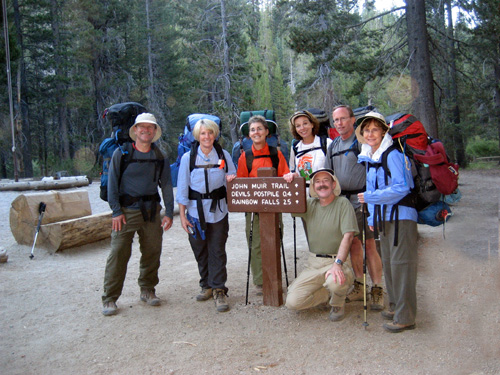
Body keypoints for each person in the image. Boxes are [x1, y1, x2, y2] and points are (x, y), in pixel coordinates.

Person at [102, 113, 174, 316]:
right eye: (141, 127)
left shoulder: (160, 156)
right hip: (126, 212)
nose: (146, 130)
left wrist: (168, 212)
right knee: (118, 254)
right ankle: (109, 298)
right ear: (135, 131)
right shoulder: (121, 154)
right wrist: (116, 211)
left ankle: (147, 289)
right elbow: (113, 184)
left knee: (152, 252)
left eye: (150, 128)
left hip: (152, 212)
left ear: (154, 132)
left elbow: (166, 185)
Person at [356, 112, 418, 333]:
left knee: (402, 266)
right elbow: (374, 189)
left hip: (401, 217)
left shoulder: (392, 154)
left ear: (383, 131)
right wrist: (372, 218)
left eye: (374, 129)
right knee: (390, 266)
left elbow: (403, 187)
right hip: (384, 219)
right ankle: (395, 307)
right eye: (366, 130)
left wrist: (370, 199)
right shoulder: (371, 157)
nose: (370, 133)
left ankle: (405, 317)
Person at [324, 105, 384, 311]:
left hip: (362, 201)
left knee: (369, 245)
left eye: (343, 119)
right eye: (336, 120)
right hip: (343, 203)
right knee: (354, 245)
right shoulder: (333, 146)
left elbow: (374, 169)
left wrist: (372, 197)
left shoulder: (362, 143)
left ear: (352, 120)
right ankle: (360, 284)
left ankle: (377, 288)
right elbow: (328, 173)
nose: (339, 123)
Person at [176, 119, 236, 312]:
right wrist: (183, 216)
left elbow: (232, 178)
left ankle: (219, 289)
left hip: (219, 211)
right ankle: (206, 285)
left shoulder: (223, 155)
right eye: (203, 133)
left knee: (217, 249)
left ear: (215, 134)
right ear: (197, 136)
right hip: (195, 212)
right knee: (200, 249)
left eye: (210, 133)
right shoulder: (188, 158)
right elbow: (183, 188)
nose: (207, 137)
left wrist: (231, 180)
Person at [285, 168, 358, 321]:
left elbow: (349, 236)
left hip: (336, 261)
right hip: (314, 263)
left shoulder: (343, 204)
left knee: (336, 282)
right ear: (313, 187)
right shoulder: (310, 204)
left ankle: (338, 302)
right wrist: (294, 180)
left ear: (333, 185)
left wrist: (338, 263)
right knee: (292, 302)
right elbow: (290, 203)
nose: (321, 185)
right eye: (317, 182)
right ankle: (326, 296)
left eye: (326, 180)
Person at [237, 115, 290, 291]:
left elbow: (285, 176)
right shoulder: (245, 156)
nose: (256, 132)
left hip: (273, 207)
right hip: (253, 209)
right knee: (255, 244)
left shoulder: (277, 153)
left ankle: (274, 278)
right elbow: (241, 183)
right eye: (253, 129)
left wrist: (289, 177)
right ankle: (260, 282)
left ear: (267, 132)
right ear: (248, 134)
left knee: (275, 240)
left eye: (259, 128)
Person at [284, 110, 332, 187]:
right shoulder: (295, 147)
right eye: (298, 126)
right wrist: (292, 175)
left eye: (305, 123)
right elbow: (293, 170)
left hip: (324, 191)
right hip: (303, 193)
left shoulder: (326, 143)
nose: (302, 128)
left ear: (312, 124)